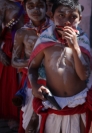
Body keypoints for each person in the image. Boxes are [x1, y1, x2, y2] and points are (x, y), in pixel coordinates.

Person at [28, 0, 92, 133]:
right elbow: (32, 68)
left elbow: (84, 75)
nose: (67, 21)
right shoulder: (44, 39)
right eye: (61, 15)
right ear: (51, 16)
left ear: (80, 19)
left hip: (79, 102)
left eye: (73, 17)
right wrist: (34, 85)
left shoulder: (82, 40)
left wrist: (75, 47)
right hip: (53, 103)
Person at [11, 0, 53, 132]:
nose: (36, 10)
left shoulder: (55, 29)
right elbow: (15, 61)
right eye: (30, 6)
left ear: (47, 7)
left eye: (40, 6)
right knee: (31, 125)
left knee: (50, 123)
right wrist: (34, 61)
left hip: (54, 81)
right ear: (24, 7)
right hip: (31, 81)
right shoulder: (22, 33)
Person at [0, 0, 25, 131]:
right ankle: (12, 117)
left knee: (23, 84)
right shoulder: (3, 4)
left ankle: (22, 116)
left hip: (27, 48)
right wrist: (0, 53)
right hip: (10, 50)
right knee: (11, 84)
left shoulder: (32, 4)